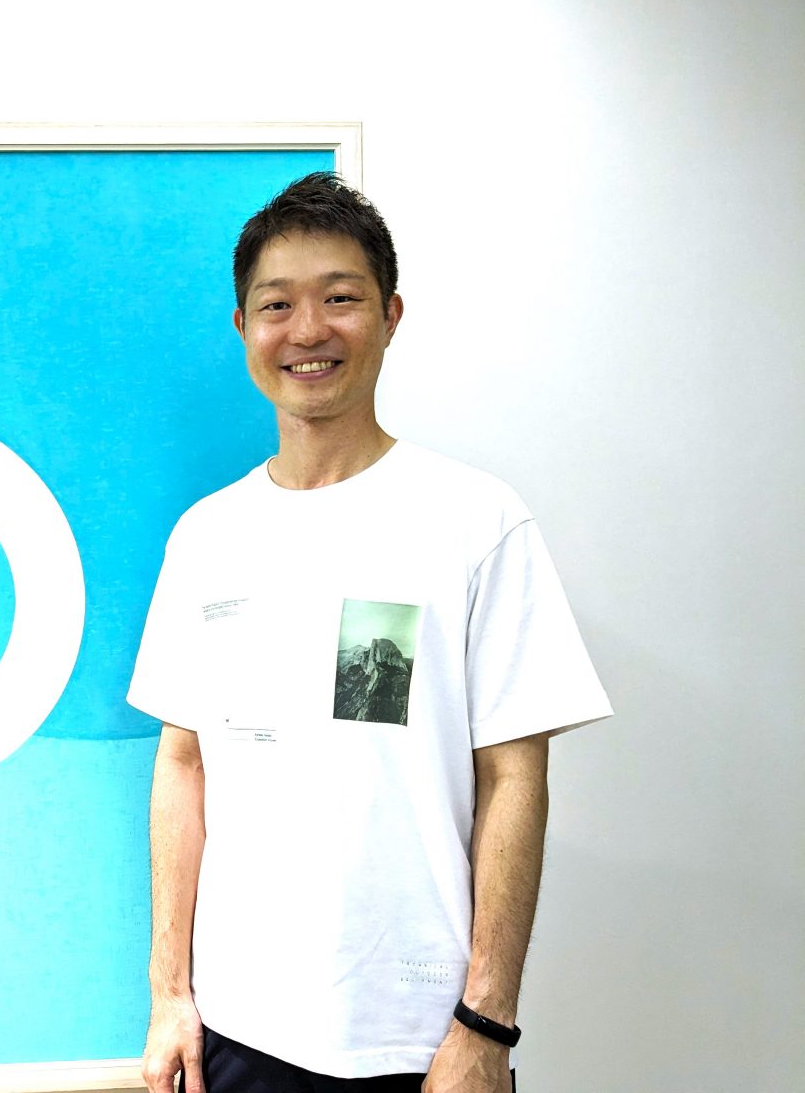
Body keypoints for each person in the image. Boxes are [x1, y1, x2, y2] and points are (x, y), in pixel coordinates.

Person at [128, 173, 612, 1092]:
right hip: (236, 1031)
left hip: (422, 1045)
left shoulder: (474, 520)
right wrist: (169, 995)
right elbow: (183, 765)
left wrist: (486, 1023)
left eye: (340, 299)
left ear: (390, 316)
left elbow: (515, 777)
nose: (307, 330)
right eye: (277, 305)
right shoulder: (206, 536)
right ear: (243, 328)